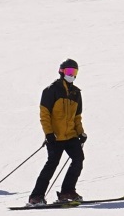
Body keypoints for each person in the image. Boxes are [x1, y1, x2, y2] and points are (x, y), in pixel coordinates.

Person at [27, 59, 87, 206]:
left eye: (74, 72)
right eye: (69, 72)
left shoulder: (76, 93)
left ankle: (67, 191)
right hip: (56, 136)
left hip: (71, 135)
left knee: (78, 159)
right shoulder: (51, 90)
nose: (72, 75)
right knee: (52, 164)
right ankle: (36, 196)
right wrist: (48, 133)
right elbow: (45, 114)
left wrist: (80, 132)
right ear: (61, 72)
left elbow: (77, 117)